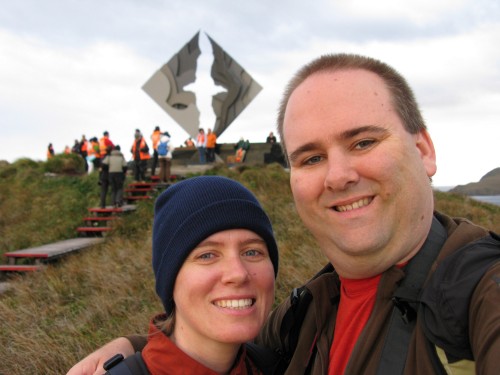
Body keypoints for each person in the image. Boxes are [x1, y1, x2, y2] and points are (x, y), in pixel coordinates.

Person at [67, 54, 500, 374]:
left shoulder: (482, 296)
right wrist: (139, 357)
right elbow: (219, 339)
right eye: (310, 158)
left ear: (423, 150)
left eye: (363, 142)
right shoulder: (305, 315)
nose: (338, 176)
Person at [67, 176, 279, 375]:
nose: (238, 274)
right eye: (207, 255)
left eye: (252, 252)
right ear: (170, 279)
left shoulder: (278, 365)